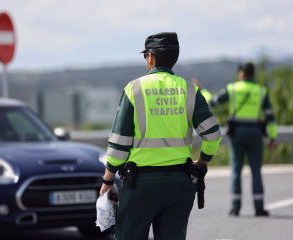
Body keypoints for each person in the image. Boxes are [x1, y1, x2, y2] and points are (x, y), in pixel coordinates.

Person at [99, 32, 222, 240]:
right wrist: (201, 163)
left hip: (140, 186)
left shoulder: (134, 89)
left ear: (151, 57)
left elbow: (119, 146)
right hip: (179, 185)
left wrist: (107, 180)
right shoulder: (190, 90)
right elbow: (213, 135)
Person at [209, 62, 277, 217]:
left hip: (237, 133)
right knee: (256, 170)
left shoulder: (232, 88)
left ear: (241, 74)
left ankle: (235, 207)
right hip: (255, 133)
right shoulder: (261, 91)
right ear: (253, 75)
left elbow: (214, 102)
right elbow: (270, 117)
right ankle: (259, 207)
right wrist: (272, 137)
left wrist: (202, 92)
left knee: (236, 170)